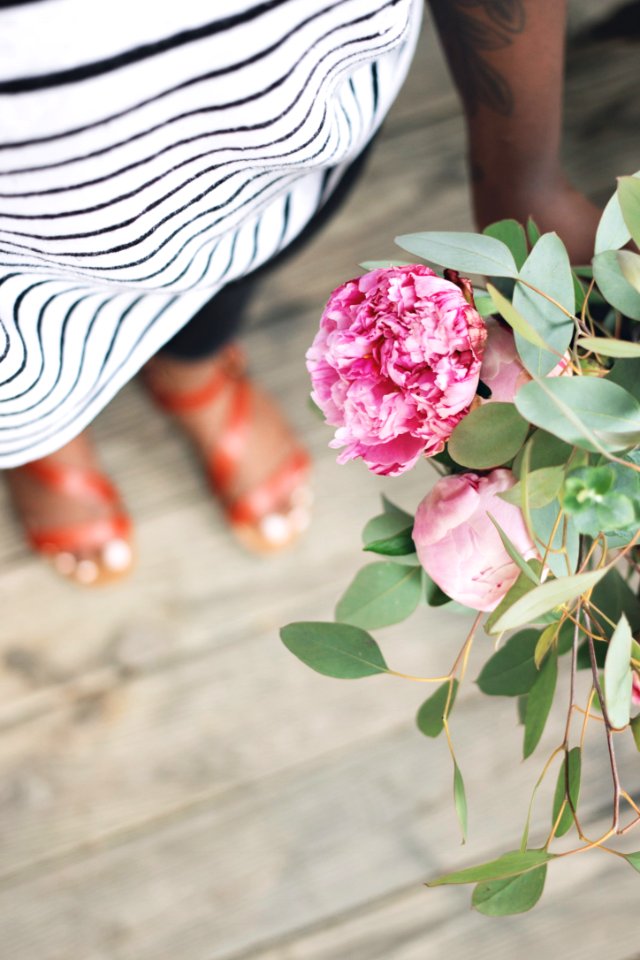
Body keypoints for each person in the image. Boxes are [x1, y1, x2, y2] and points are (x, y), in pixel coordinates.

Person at [0, 0, 601, 585]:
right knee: (20, 351)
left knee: (234, 255)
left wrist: (525, 173)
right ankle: (45, 426)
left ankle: (192, 368)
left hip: (280, 125)